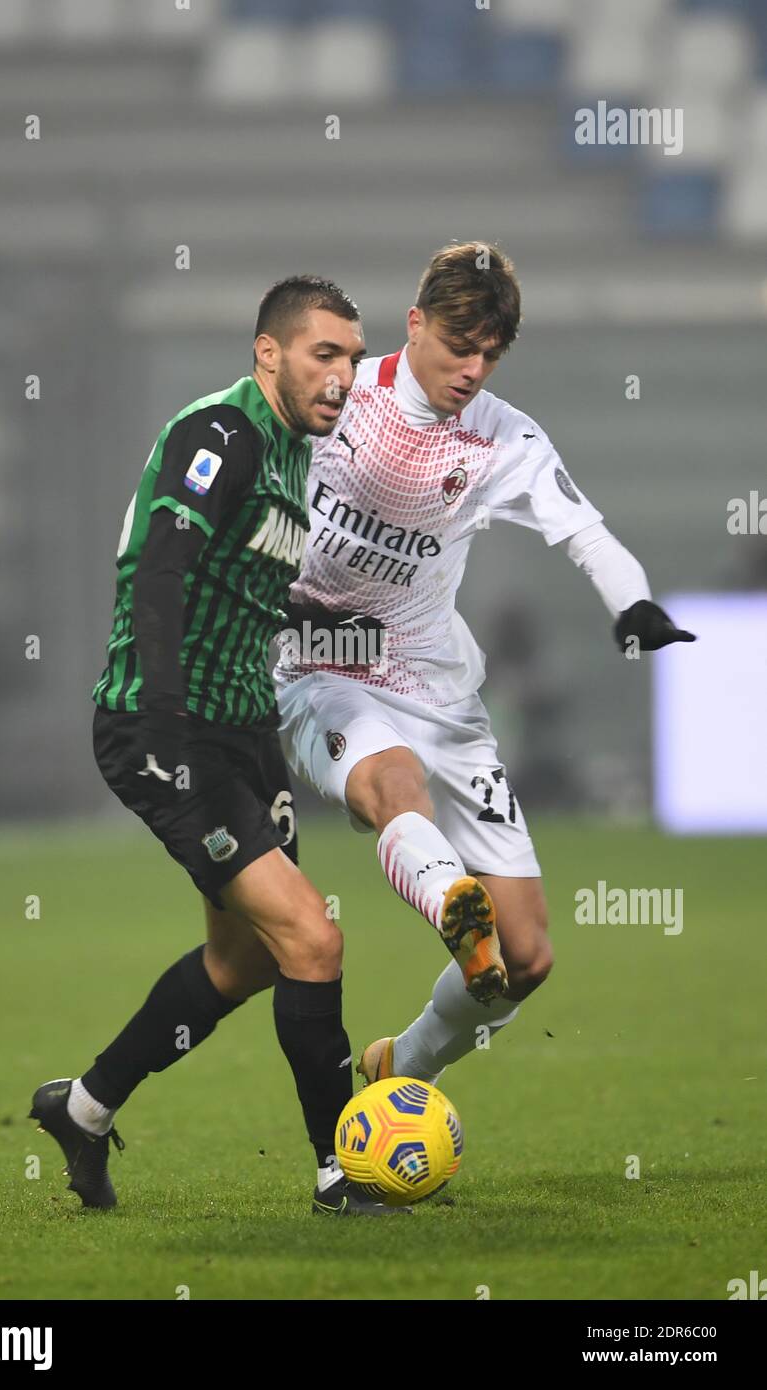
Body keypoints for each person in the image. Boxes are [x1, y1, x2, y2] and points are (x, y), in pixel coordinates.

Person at [274, 241, 695, 1087]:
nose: (472, 369)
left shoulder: (505, 439)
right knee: (393, 784)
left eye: (489, 355)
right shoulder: (339, 398)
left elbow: (583, 530)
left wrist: (635, 604)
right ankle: (449, 904)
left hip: (438, 689)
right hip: (321, 663)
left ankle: (406, 1064)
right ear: (414, 323)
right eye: (458, 346)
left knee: (530, 954)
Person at [29, 276, 402, 1216]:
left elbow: (250, 591)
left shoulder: (289, 455)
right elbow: (161, 567)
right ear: (268, 353)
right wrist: (160, 720)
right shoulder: (223, 435)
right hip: (169, 728)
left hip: (243, 731)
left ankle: (82, 1107)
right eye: (326, 354)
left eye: (355, 359)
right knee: (313, 938)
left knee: (246, 962)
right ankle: (342, 1169)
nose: (344, 376)